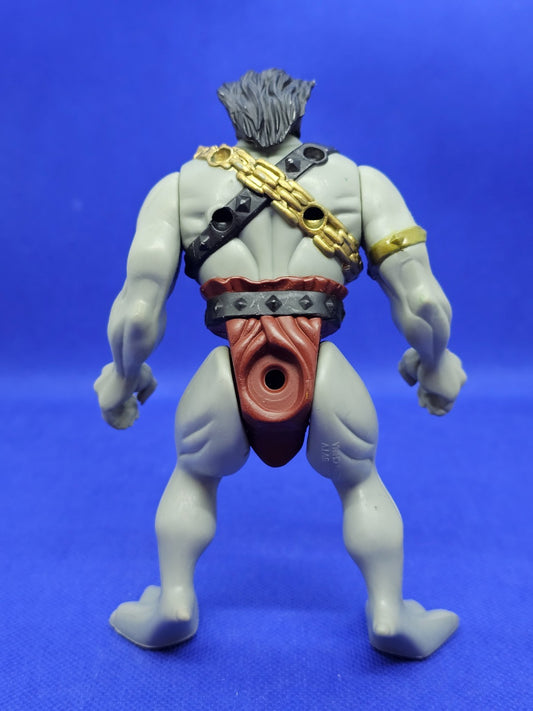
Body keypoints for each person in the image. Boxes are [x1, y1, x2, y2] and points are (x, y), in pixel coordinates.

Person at [94, 69, 466, 658]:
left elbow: (137, 313)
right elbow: (422, 300)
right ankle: (390, 613)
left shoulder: (180, 190)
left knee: (193, 476)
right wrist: (435, 361)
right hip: (324, 369)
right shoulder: (362, 184)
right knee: (360, 482)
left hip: (226, 375)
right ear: (299, 114)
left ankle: (175, 602)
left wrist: (123, 374)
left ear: (233, 117)